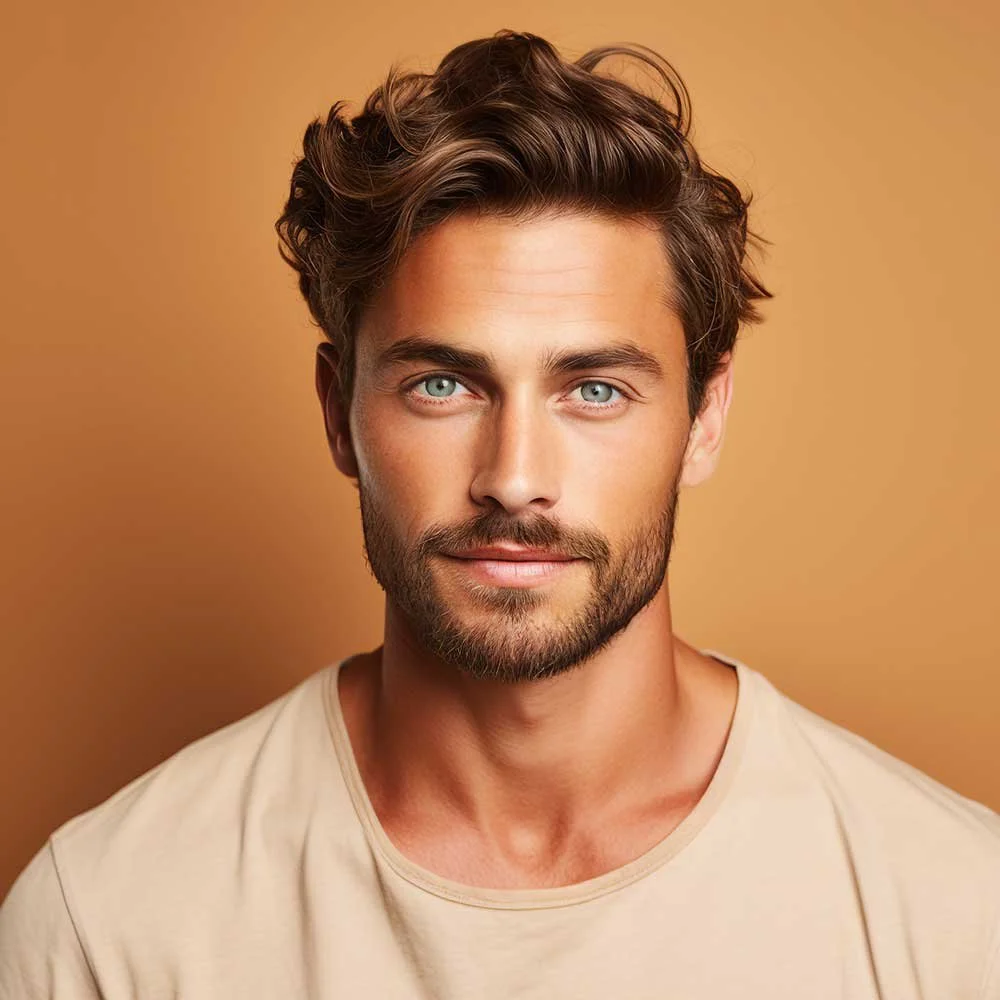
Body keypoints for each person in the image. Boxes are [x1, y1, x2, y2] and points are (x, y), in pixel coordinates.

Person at [2, 28, 998, 999]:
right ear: (337, 413)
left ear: (703, 418)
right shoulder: (109, 923)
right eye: (444, 385)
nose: (514, 479)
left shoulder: (952, 913)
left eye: (595, 390)